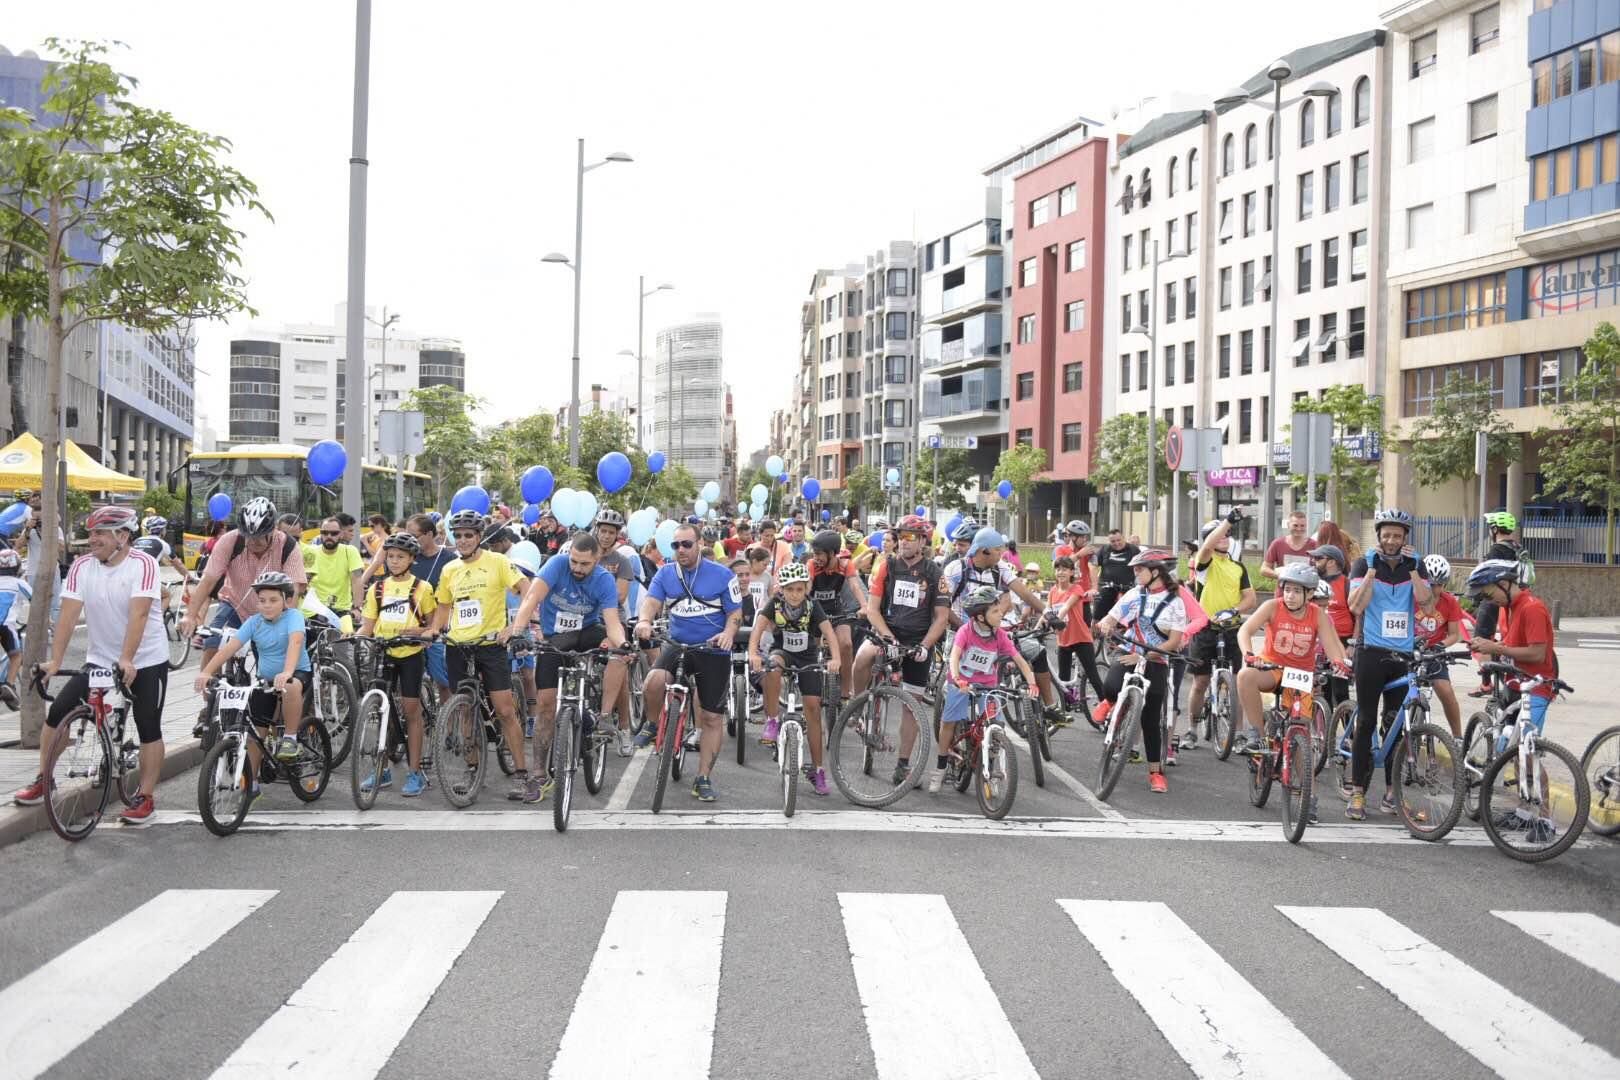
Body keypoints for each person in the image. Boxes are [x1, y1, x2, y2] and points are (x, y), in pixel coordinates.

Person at [12, 507, 170, 823]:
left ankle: (146, 796)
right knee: (58, 713)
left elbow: (139, 615)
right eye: (92, 532)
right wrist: (55, 661)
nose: (92, 539)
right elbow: (68, 616)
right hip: (98, 658)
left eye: (100, 533)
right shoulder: (83, 566)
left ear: (122, 537)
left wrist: (127, 659)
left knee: (148, 724)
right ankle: (45, 779)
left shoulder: (144, 565)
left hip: (146, 658)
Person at [429, 509, 534, 801]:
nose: (462, 541)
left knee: (503, 710)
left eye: (468, 535)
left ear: (479, 537)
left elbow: (527, 590)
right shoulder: (450, 569)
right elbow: (444, 607)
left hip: (491, 645)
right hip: (458, 646)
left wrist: (515, 626)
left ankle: (522, 774)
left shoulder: (498, 562)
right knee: (465, 708)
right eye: (458, 535)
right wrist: (434, 631)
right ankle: (472, 768)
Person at [634, 522, 743, 802]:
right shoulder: (666, 572)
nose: (680, 550)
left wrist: (729, 633)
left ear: (699, 545)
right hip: (678, 644)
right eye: (675, 545)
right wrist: (645, 621)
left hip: (712, 649)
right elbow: (651, 602)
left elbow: (735, 614)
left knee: (711, 717)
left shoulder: (722, 575)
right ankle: (652, 723)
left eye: (686, 544)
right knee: (654, 681)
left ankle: (703, 778)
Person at [511, 531, 629, 790]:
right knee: (545, 704)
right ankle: (539, 773)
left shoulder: (604, 580)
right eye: (574, 561)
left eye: (584, 563)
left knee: (620, 657)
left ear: (597, 559)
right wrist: (518, 632)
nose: (577, 568)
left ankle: (605, 716)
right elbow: (531, 598)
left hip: (588, 632)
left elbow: (612, 622)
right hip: (555, 638)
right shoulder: (556, 564)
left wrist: (623, 645)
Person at [180, 497, 308, 730]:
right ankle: (209, 707)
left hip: (273, 612)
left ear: (273, 531)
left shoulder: (287, 546)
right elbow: (208, 581)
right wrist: (190, 614)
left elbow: (293, 594)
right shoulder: (230, 542)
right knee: (212, 642)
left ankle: (276, 721)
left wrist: (282, 628)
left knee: (271, 671)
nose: (253, 542)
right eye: (248, 536)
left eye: (260, 536)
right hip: (235, 604)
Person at [191, 570, 310, 804]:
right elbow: (230, 648)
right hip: (266, 678)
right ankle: (252, 783)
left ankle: (291, 737)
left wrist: (286, 672)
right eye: (262, 600)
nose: (266, 606)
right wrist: (206, 672)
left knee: (291, 686)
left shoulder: (294, 617)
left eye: (273, 600)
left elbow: (296, 643)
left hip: (296, 672)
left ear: (286, 601)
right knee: (256, 732)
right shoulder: (253, 622)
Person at [1344, 507, 1432, 820]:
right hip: (1371, 653)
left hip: (1402, 656)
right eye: (1387, 535)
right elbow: (1356, 606)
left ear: (1405, 538)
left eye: (1397, 535)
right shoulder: (1362, 564)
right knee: (1367, 721)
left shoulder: (1415, 565)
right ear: (1379, 537)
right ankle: (1357, 793)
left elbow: (1424, 601)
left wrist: (1412, 570)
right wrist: (1370, 571)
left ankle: (1392, 795)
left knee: (1395, 726)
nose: (1392, 540)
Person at [856, 515, 951, 784]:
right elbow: (873, 609)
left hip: (917, 643)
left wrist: (924, 646)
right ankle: (856, 705)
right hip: (888, 634)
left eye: (910, 537)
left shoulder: (935, 573)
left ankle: (903, 763)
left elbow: (942, 617)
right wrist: (886, 636)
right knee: (862, 657)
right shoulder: (887, 566)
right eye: (900, 537)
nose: (903, 542)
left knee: (913, 706)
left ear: (923, 541)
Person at [1091, 548, 1189, 794]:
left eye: (1139, 569)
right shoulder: (1134, 594)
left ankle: (1156, 772)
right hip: (1128, 650)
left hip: (1155, 660)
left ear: (1156, 572)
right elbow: (1112, 618)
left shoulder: (1176, 602)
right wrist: (1105, 624)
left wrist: (1144, 655)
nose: (1135, 574)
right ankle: (1109, 702)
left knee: (1151, 720)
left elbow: (1175, 641)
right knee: (1111, 684)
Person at [1235, 563, 1351, 753]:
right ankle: (1257, 735)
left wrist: (1338, 662)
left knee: (1300, 733)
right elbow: (1245, 631)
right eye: (1287, 590)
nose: (1290, 595)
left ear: (1310, 594)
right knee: (1245, 675)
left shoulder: (1317, 614)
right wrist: (1249, 655)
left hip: (1300, 675)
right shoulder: (1272, 606)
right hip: (1271, 668)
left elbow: (1331, 646)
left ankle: (1303, 782)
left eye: (1296, 591)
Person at [355, 532, 437, 797]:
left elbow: (432, 625)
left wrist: (422, 631)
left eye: (400, 557)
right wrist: (353, 638)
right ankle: (383, 769)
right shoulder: (377, 588)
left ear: (412, 559)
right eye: (390, 556)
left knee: (411, 711)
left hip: (410, 655)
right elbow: (367, 626)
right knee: (381, 711)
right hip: (383, 654)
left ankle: (414, 773)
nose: (394, 561)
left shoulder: (422, 588)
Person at [748, 560, 840, 796]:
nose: (795, 594)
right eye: (790, 589)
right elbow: (757, 630)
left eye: (799, 589)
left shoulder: (813, 605)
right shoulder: (774, 604)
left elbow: (829, 632)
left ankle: (818, 770)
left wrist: (836, 659)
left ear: (806, 588)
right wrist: (753, 654)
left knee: (812, 710)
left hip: (808, 657)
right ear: (782, 589)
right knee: (772, 667)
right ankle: (771, 720)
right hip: (783, 653)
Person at [936, 585, 1039, 792]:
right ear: (980, 617)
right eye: (995, 611)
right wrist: (957, 678)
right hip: (962, 682)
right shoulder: (966, 631)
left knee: (996, 724)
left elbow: (1019, 660)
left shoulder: (1000, 635)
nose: (1001, 613)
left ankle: (991, 768)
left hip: (987, 685)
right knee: (949, 722)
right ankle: (940, 767)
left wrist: (1031, 682)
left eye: (999, 609)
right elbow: (955, 656)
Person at [1182, 511, 1259, 751]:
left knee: (1236, 683)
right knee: (1200, 681)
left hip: (1231, 629)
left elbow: (1250, 598)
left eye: (1227, 535)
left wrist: (1234, 610)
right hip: (1206, 629)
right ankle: (1192, 729)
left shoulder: (1237, 567)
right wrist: (1228, 521)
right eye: (1220, 535)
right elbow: (1206, 547)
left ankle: (1236, 734)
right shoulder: (1204, 562)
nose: (1225, 537)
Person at [1466, 557, 1557, 748]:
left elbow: (1537, 654)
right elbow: (1510, 644)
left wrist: (1495, 647)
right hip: (1512, 685)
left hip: (1535, 689)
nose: (1490, 602)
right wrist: (1487, 645)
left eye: (1489, 595)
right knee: (1505, 752)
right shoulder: (1506, 608)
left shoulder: (1532, 608)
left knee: (1527, 755)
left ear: (1504, 583)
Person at [1471, 510, 1530, 697]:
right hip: (1516, 597)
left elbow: (1487, 576)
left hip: (1496, 597)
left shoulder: (1497, 549)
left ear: (1495, 529)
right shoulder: (1518, 547)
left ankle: (1486, 683)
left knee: (1481, 638)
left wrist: (1477, 597)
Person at [807, 529, 866, 710]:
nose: (816, 557)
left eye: (819, 554)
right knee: (812, 649)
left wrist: (864, 606)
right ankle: (812, 689)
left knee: (847, 645)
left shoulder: (846, 565)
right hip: (816, 611)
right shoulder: (812, 565)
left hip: (836, 609)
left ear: (832, 553)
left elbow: (855, 586)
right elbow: (808, 587)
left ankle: (845, 693)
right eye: (814, 553)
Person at [1412, 554, 1464, 739]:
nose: (1435, 589)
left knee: (1446, 691)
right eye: (1431, 584)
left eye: (1439, 585)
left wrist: (1439, 646)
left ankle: (1458, 738)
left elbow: (1454, 635)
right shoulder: (1412, 597)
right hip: (1410, 652)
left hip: (1434, 654)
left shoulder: (1449, 602)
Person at [1048, 555, 1105, 709]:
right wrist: (1038, 626)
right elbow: (1047, 611)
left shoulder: (1077, 589)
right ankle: (1065, 708)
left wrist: (1054, 621)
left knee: (1092, 675)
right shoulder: (1053, 591)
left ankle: (1107, 707)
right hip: (1063, 640)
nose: (1061, 572)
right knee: (1063, 679)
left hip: (1081, 639)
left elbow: (1066, 607)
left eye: (1065, 569)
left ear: (1072, 572)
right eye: (1058, 569)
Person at [1311, 544, 1355, 710]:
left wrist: (1352, 644)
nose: (1314, 562)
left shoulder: (1346, 584)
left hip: (1341, 641)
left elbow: (1359, 616)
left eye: (1318, 558)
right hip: (1315, 641)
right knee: (1322, 692)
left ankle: (1350, 735)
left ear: (1331, 562)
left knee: (1341, 691)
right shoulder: (1311, 581)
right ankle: (1324, 730)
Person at [307, 516, 366, 628]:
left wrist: (357, 608)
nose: (329, 536)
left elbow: (357, 580)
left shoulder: (350, 551)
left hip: (342, 611)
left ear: (341, 534)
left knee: (345, 641)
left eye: (334, 533)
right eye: (324, 533)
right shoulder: (311, 552)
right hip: (314, 611)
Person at [0, 548, 30, 705]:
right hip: (5, 624)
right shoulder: (19, 583)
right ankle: (9, 684)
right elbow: (36, 599)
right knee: (16, 656)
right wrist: (50, 621)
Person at [1091, 528, 1139, 623]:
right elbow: (1092, 564)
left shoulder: (1133, 550)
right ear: (1109, 541)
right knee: (1098, 610)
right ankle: (1094, 632)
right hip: (1106, 586)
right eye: (1113, 541)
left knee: (1132, 612)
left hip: (1128, 587)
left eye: (1119, 540)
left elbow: (1142, 567)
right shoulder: (1104, 549)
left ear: (1124, 538)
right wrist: (1094, 586)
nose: (1116, 543)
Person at [1261, 509, 1318, 580]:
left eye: (1302, 526)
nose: (1299, 528)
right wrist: (1280, 575)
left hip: (1306, 590)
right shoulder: (1278, 544)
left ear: (1306, 526)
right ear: (1288, 525)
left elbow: (1322, 569)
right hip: (1283, 590)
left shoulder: (1314, 545)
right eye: (1295, 525)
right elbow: (1264, 569)